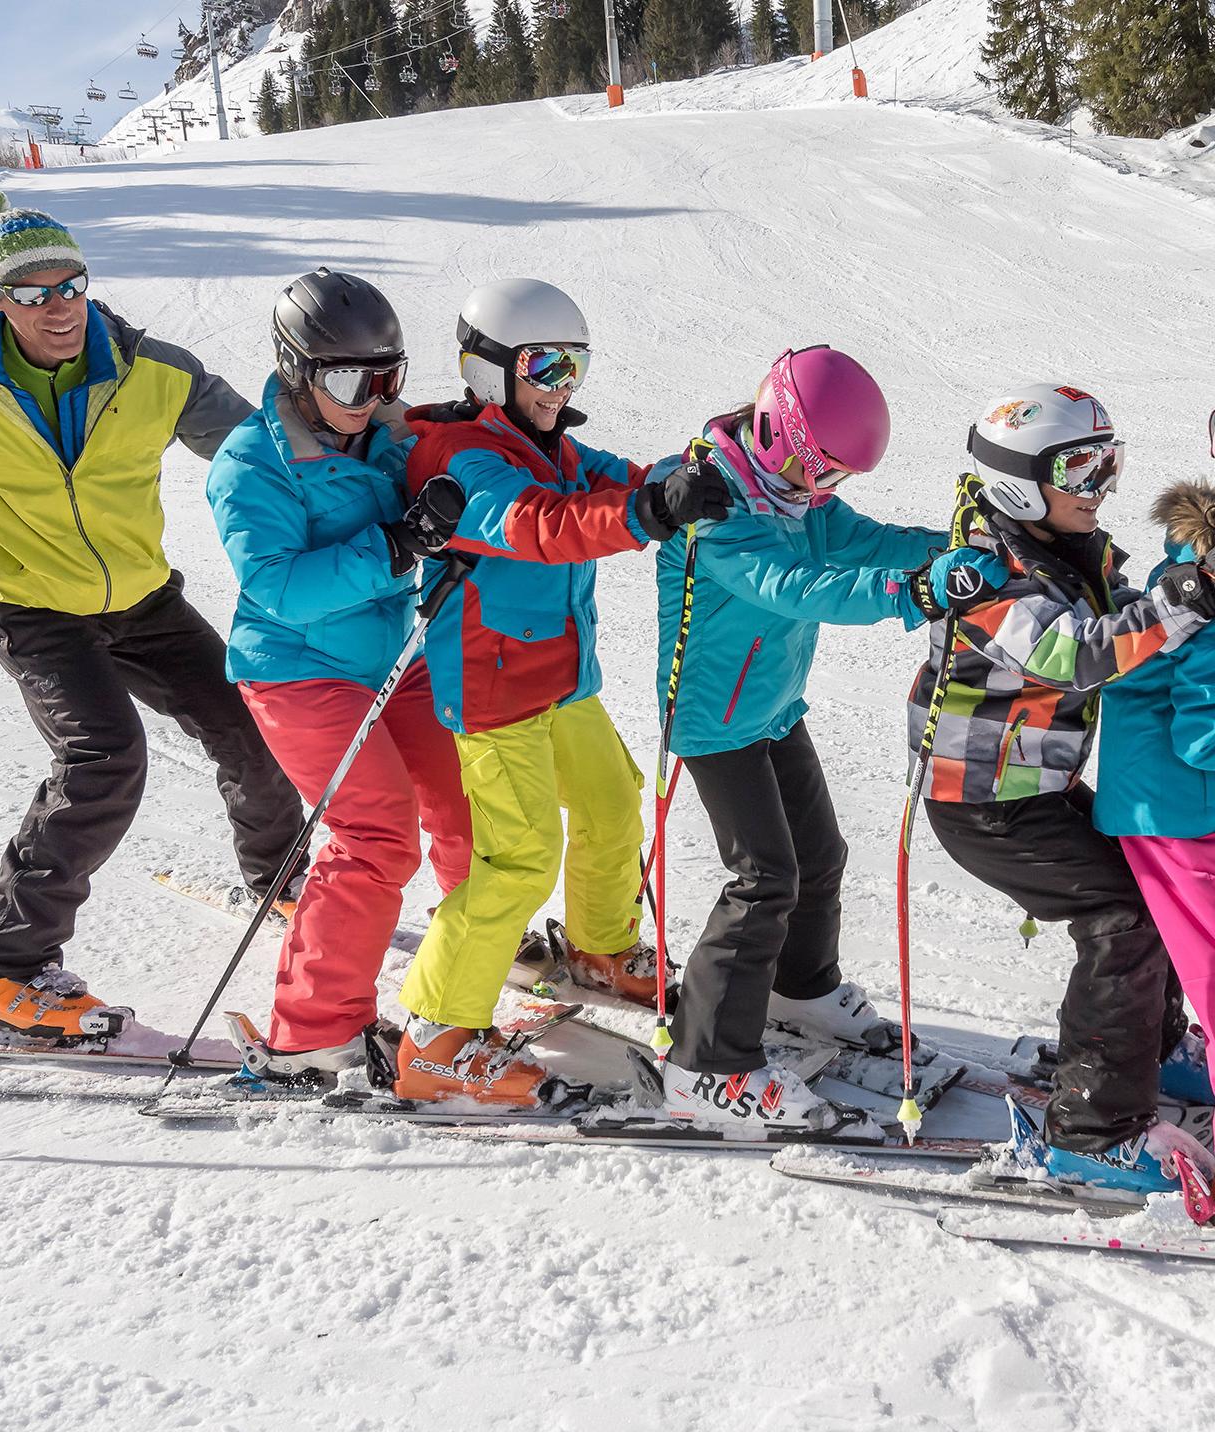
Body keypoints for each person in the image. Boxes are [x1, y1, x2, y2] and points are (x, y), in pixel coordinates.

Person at [0, 188, 306, 1041]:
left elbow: (260, 449)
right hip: (26, 601)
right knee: (104, 756)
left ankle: (285, 880)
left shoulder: (152, 370)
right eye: (31, 293)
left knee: (252, 725)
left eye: (71, 284)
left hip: (141, 593)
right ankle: (2, 970)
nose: (58, 306)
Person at [391, 277, 731, 1109]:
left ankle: (600, 947)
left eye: (574, 366)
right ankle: (436, 1034)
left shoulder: (557, 446)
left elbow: (626, 480)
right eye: (543, 366)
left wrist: (713, 468)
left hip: (561, 682)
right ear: (487, 369)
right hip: (492, 691)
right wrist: (649, 513)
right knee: (519, 855)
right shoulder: (460, 458)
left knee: (615, 800)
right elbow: (538, 525)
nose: (561, 387)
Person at [645, 345, 997, 1132]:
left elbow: (864, 542)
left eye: (836, 478)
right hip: (711, 721)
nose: (825, 491)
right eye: (822, 472)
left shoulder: (791, 493)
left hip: (772, 706)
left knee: (820, 856)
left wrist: (953, 550)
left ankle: (797, 991)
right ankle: (706, 1064)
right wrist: (913, 595)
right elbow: (795, 585)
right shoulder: (714, 507)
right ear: (779, 435)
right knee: (762, 879)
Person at [913, 384, 1215, 1192]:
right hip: (980, 802)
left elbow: (1139, 611)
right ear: (1018, 480)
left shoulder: (1080, 551)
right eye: (1080, 468)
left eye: (1108, 465)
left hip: (1031, 789)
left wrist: (1186, 579)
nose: (1101, 486)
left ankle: (1148, 1060)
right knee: (1121, 920)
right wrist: (1181, 605)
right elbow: (1071, 655)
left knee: (1148, 897)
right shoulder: (984, 573)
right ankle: (1091, 1131)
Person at [206, 268, 475, 1086]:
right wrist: (399, 545)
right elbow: (280, 586)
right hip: (298, 667)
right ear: (296, 369)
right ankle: (313, 1030)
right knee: (375, 834)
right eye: (353, 379)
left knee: (480, 805)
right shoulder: (253, 462)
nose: (373, 396)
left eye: (388, 377)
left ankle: (466, 977)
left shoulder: (390, 434)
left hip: (394, 658)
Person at [1093, 477, 1215, 1103]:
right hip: (1179, 816)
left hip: (1169, 805)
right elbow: (1203, 734)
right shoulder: (1209, 606)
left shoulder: (1189, 576)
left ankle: (1174, 1057)